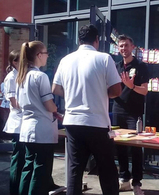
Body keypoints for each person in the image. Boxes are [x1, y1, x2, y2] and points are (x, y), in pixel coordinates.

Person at [52, 24, 122, 195]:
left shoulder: (65, 60)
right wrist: (100, 92)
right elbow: (116, 90)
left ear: (78, 40)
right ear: (97, 40)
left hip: (73, 122)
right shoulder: (104, 59)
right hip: (97, 122)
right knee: (107, 169)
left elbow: (55, 89)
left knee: (75, 169)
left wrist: (71, 94)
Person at [16, 41, 58, 195]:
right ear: (39, 55)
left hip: (27, 128)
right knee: (41, 170)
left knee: (28, 167)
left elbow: (20, 104)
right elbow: (49, 105)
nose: (47, 56)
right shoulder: (40, 76)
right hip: (42, 130)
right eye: (46, 53)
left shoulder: (21, 76)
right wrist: (55, 109)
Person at [112, 34, 149, 195]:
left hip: (134, 113)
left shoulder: (141, 66)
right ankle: (124, 179)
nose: (123, 48)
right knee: (120, 147)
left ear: (132, 47)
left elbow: (145, 91)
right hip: (118, 111)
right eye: (121, 46)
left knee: (135, 148)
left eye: (126, 45)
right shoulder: (115, 66)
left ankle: (137, 183)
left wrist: (131, 86)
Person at [2, 50, 24, 195]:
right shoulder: (11, 78)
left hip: (24, 121)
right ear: (15, 62)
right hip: (18, 123)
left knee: (23, 157)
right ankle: (14, 188)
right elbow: (14, 102)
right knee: (18, 157)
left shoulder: (21, 75)